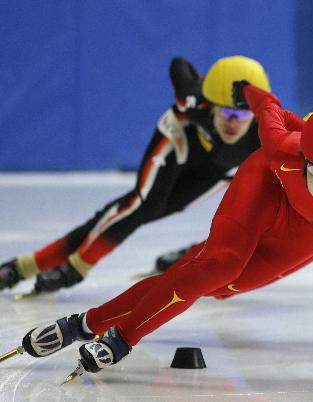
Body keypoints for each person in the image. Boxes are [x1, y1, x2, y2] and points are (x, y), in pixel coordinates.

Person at [14, 81, 313, 378]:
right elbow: (270, 108)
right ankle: (109, 334)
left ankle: (86, 323)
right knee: (216, 265)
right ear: (305, 155)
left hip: (310, 236)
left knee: (218, 285)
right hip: (266, 188)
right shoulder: (285, 151)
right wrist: (246, 90)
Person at [0, 55, 270, 295]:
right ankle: (75, 267)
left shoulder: (267, 131)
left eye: (242, 113)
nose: (233, 121)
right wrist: (202, 84)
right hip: (180, 139)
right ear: (209, 104)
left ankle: (26, 265)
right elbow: (179, 64)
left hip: (215, 170)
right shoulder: (193, 99)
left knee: (147, 212)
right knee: (143, 204)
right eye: (226, 111)